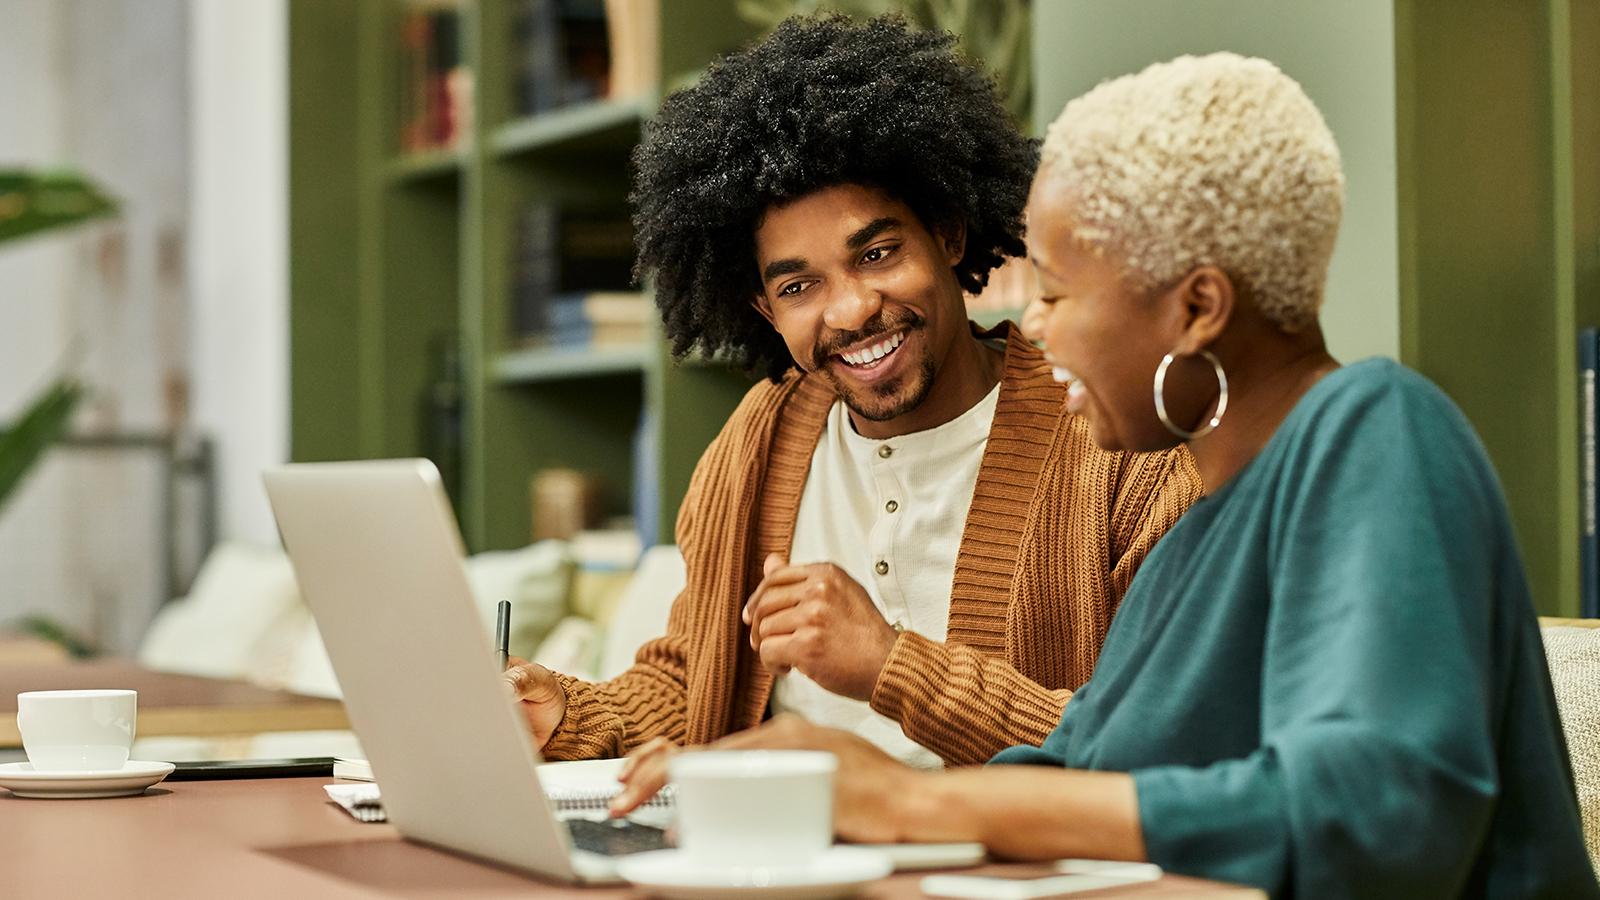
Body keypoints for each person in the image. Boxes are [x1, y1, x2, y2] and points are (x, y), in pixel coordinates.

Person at [612, 52, 1600, 897]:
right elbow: (1083, 770)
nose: (1033, 329)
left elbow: (1380, 814)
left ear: (1196, 309)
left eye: (1056, 293)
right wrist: (810, 779)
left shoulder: (1375, 428)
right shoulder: (1198, 543)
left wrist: (913, 799)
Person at [502, 15, 1197, 773]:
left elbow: (1156, 744)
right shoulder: (760, 440)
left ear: (948, 235)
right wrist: (571, 714)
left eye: (877, 253)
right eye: (798, 286)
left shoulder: (1117, 442)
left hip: (992, 846)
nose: (851, 310)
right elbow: (693, 681)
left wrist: (890, 664)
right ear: (765, 310)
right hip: (783, 839)